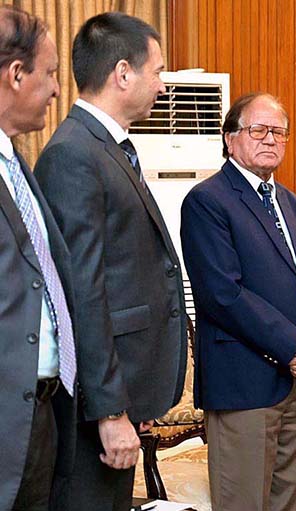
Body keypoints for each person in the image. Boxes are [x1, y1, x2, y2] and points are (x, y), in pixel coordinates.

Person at [34, 13, 186, 511]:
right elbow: (82, 292)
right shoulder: (73, 154)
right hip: (94, 407)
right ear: (123, 73)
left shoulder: (109, 147)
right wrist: (110, 409)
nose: (163, 86)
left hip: (121, 389)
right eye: (158, 71)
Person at [181, 92, 296, 511]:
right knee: (244, 504)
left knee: (288, 504)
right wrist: (294, 346)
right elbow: (222, 295)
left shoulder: (291, 203)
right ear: (231, 139)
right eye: (258, 130)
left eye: (279, 132)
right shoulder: (207, 201)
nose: (270, 139)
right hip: (243, 384)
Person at [0, 7, 76, 510]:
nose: (55, 89)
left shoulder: (16, 163)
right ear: (16, 74)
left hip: (40, 413)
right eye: (49, 74)